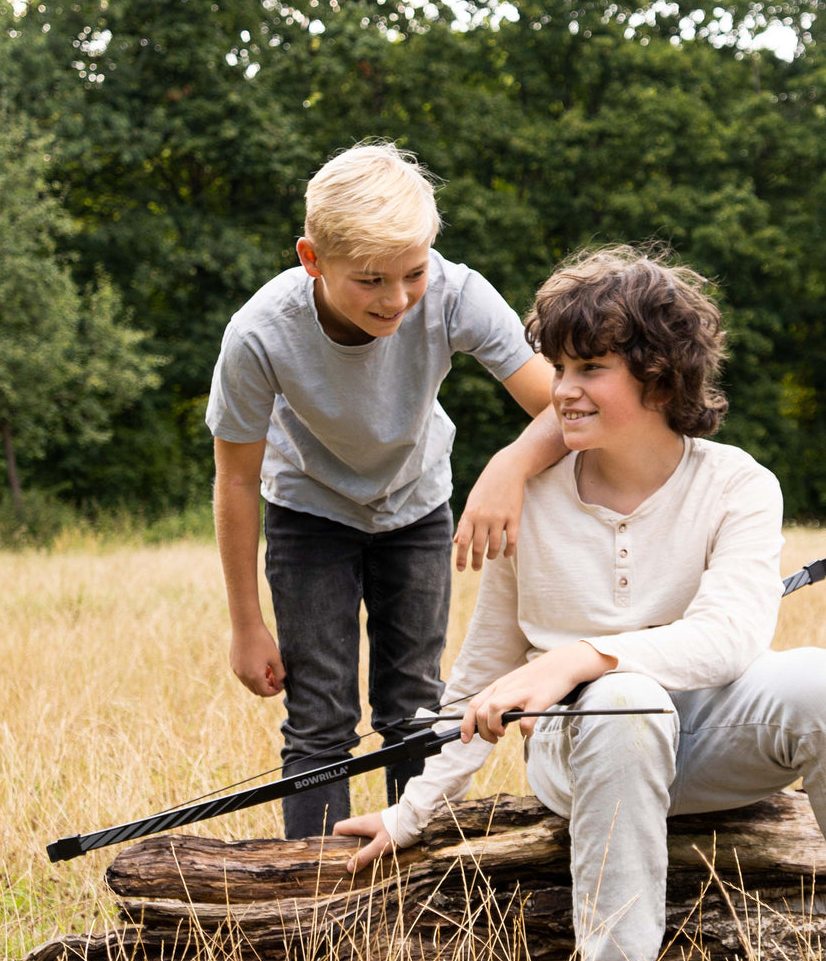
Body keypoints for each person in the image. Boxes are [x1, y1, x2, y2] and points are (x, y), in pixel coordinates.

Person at [335, 245, 826, 961]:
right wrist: (413, 813)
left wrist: (581, 653)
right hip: (585, 749)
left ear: (661, 377)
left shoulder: (740, 484)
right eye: (557, 367)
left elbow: (731, 638)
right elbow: (480, 678)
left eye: (589, 368)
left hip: (708, 742)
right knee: (626, 702)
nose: (560, 391)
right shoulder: (530, 497)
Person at [205, 140, 561, 838]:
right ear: (313, 259)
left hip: (418, 508)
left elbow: (563, 407)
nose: (396, 298)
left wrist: (510, 467)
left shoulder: (455, 292)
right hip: (308, 514)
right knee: (320, 718)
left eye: (412, 274)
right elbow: (237, 480)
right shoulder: (259, 335)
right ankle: (315, 900)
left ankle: (416, 881)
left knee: (413, 705)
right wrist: (247, 625)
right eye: (369, 280)